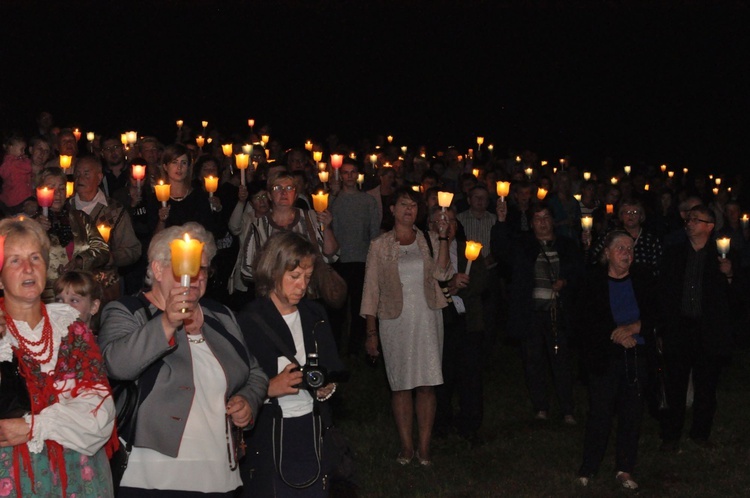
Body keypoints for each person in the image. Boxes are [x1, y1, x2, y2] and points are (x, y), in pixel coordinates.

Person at [98, 222, 268, 496]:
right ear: (157, 269)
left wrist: (248, 400)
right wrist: (166, 322)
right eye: (185, 267)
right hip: (154, 475)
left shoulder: (220, 315)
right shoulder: (129, 311)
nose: (197, 276)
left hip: (219, 472)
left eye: (202, 268)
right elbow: (117, 364)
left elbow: (256, 373)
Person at [0, 216, 117, 496]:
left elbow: (99, 415)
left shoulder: (71, 328)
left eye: (35, 258)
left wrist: (33, 425)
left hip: (78, 475)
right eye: (14, 260)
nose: (28, 268)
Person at [237, 231, 345, 496]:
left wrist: (326, 387)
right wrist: (269, 388)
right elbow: (233, 388)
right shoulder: (249, 321)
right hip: (269, 432)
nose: (302, 286)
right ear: (273, 272)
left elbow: (332, 370)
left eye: (307, 278)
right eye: (294, 277)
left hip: (313, 426)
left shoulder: (315, 314)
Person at [361, 187, 453, 466]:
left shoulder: (428, 239)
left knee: (427, 384)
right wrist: (371, 332)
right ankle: (406, 446)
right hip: (393, 320)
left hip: (427, 318)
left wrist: (445, 238)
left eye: (413, 205)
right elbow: (370, 291)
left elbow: (443, 273)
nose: (408, 210)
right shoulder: (380, 245)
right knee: (400, 385)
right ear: (392, 209)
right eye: (403, 204)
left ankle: (424, 448)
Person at [575, 230, 657, 490]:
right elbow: (584, 321)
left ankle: (625, 467)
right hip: (604, 356)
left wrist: (635, 328)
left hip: (637, 354)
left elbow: (659, 314)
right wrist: (615, 335)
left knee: (632, 413)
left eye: (630, 248)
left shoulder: (643, 279)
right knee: (600, 412)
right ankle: (589, 465)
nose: (627, 253)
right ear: (607, 253)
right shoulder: (593, 281)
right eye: (620, 248)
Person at [658, 205, 742, 452]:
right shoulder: (674, 254)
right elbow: (664, 293)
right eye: (689, 218)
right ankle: (671, 435)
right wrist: (662, 329)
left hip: (709, 331)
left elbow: (737, 300)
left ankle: (700, 433)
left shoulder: (725, 255)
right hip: (680, 328)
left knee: (706, 386)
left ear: (710, 226)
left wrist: (729, 276)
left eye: (696, 219)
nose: (690, 222)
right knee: (675, 384)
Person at [491, 201, 583, 423]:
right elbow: (501, 250)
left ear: (553, 220)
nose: (542, 222)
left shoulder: (567, 245)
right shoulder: (524, 246)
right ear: (531, 224)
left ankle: (567, 408)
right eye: (537, 218)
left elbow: (580, 272)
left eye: (546, 217)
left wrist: (565, 281)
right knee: (533, 361)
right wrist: (501, 221)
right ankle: (541, 406)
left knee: (561, 361)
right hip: (532, 313)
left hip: (557, 313)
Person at [431, 207, 487, 442]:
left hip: (467, 322)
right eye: (443, 220)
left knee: (470, 376)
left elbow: (482, 280)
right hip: (440, 322)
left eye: (453, 220)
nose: (449, 225)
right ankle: (439, 425)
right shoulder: (427, 250)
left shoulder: (469, 249)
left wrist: (460, 288)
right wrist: (447, 286)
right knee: (442, 376)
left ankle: (470, 425)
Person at [240, 171, 338, 284]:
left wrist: (327, 227)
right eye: (277, 188)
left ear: (296, 195)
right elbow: (247, 271)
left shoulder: (311, 217)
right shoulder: (259, 226)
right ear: (269, 195)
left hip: (310, 291)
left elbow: (331, 257)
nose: (283, 192)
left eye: (289, 188)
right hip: (274, 293)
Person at [35, 167, 110, 302]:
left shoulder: (81, 218)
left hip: (81, 294)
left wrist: (79, 261)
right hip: (49, 299)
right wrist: (36, 231)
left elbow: (102, 250)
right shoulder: (31, 225)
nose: (57, 193)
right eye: (51, 188)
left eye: (62, 188)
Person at [146, 143, 220, 238]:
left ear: (188, 167)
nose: (179, 167)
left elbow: (209, 231)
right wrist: (162, 220)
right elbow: (155, 239)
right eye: (174, 162)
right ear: (165, 166)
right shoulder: (155, 199)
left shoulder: (199, 196)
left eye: (183, 163)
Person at [0, 134, 34, 215]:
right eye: (21, 149)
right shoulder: (13, 163)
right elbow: (28, 168)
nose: (23, 152)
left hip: (17, 196)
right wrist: (26, 160)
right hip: (18, 198)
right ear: (11, 147)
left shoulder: (9, 162)